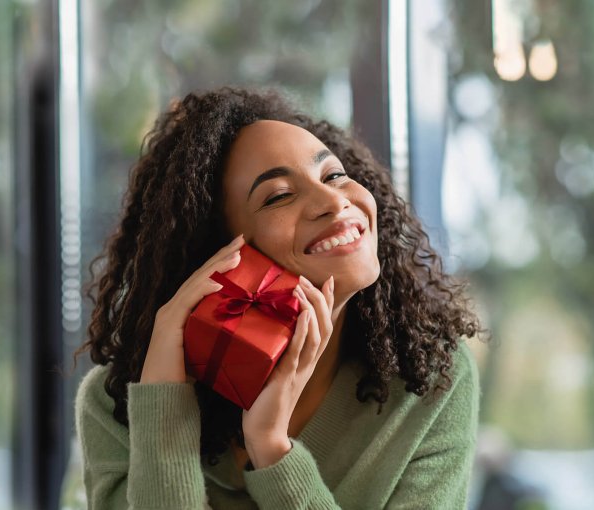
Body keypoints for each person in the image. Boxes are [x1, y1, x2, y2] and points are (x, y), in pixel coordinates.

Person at [74, 86, 482, 509]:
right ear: (218, 252)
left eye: (334, 175)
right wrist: (163, 413)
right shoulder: (115, 404)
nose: (333, 201)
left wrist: (271, 449)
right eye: (279, 196)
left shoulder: (430, 378)